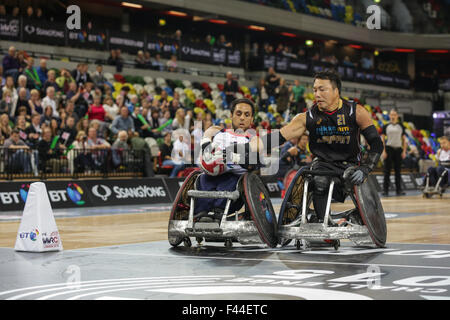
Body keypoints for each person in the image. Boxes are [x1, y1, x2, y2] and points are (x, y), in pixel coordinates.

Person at [244, 70, 384, 224]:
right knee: (319, 181)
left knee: (345, 180)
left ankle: (358, 216)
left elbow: (376, 143)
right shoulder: (307, 117)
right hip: (322, 166)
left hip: (349, 166)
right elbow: (276, 138)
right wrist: (242, 148)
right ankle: (323, 222)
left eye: (322, 89)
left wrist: (366, 168)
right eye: (315, 90)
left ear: (336, 91)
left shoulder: (355, 111)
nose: (317, 94)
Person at [195, 98, 258, 217]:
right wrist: (207, 154)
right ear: (231, 115)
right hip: (213, 174)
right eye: (238, 113)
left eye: (247, 115)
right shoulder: (219, 134)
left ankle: (217, 212)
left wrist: (231, 158)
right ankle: (201, 213)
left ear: (251, 119)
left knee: (232, 179)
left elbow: (254, 160)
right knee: (203, 178)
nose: (242, 118)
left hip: (236, 181)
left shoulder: (253, 139)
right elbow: (209, 135)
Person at [381, 109, 407, 196]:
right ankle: (385, 190)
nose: (392, 116)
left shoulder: (401, 126)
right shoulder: (386, 126)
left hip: (398, 149)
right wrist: (383, 151)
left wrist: (404, 151)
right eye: (391, 114)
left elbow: (404, 140)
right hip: (389, 149)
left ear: (397, 116)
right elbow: (383, 139)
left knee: (398, 171)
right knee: (387, 171)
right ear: (389, 116)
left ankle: (399, 190)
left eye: (394, 115)